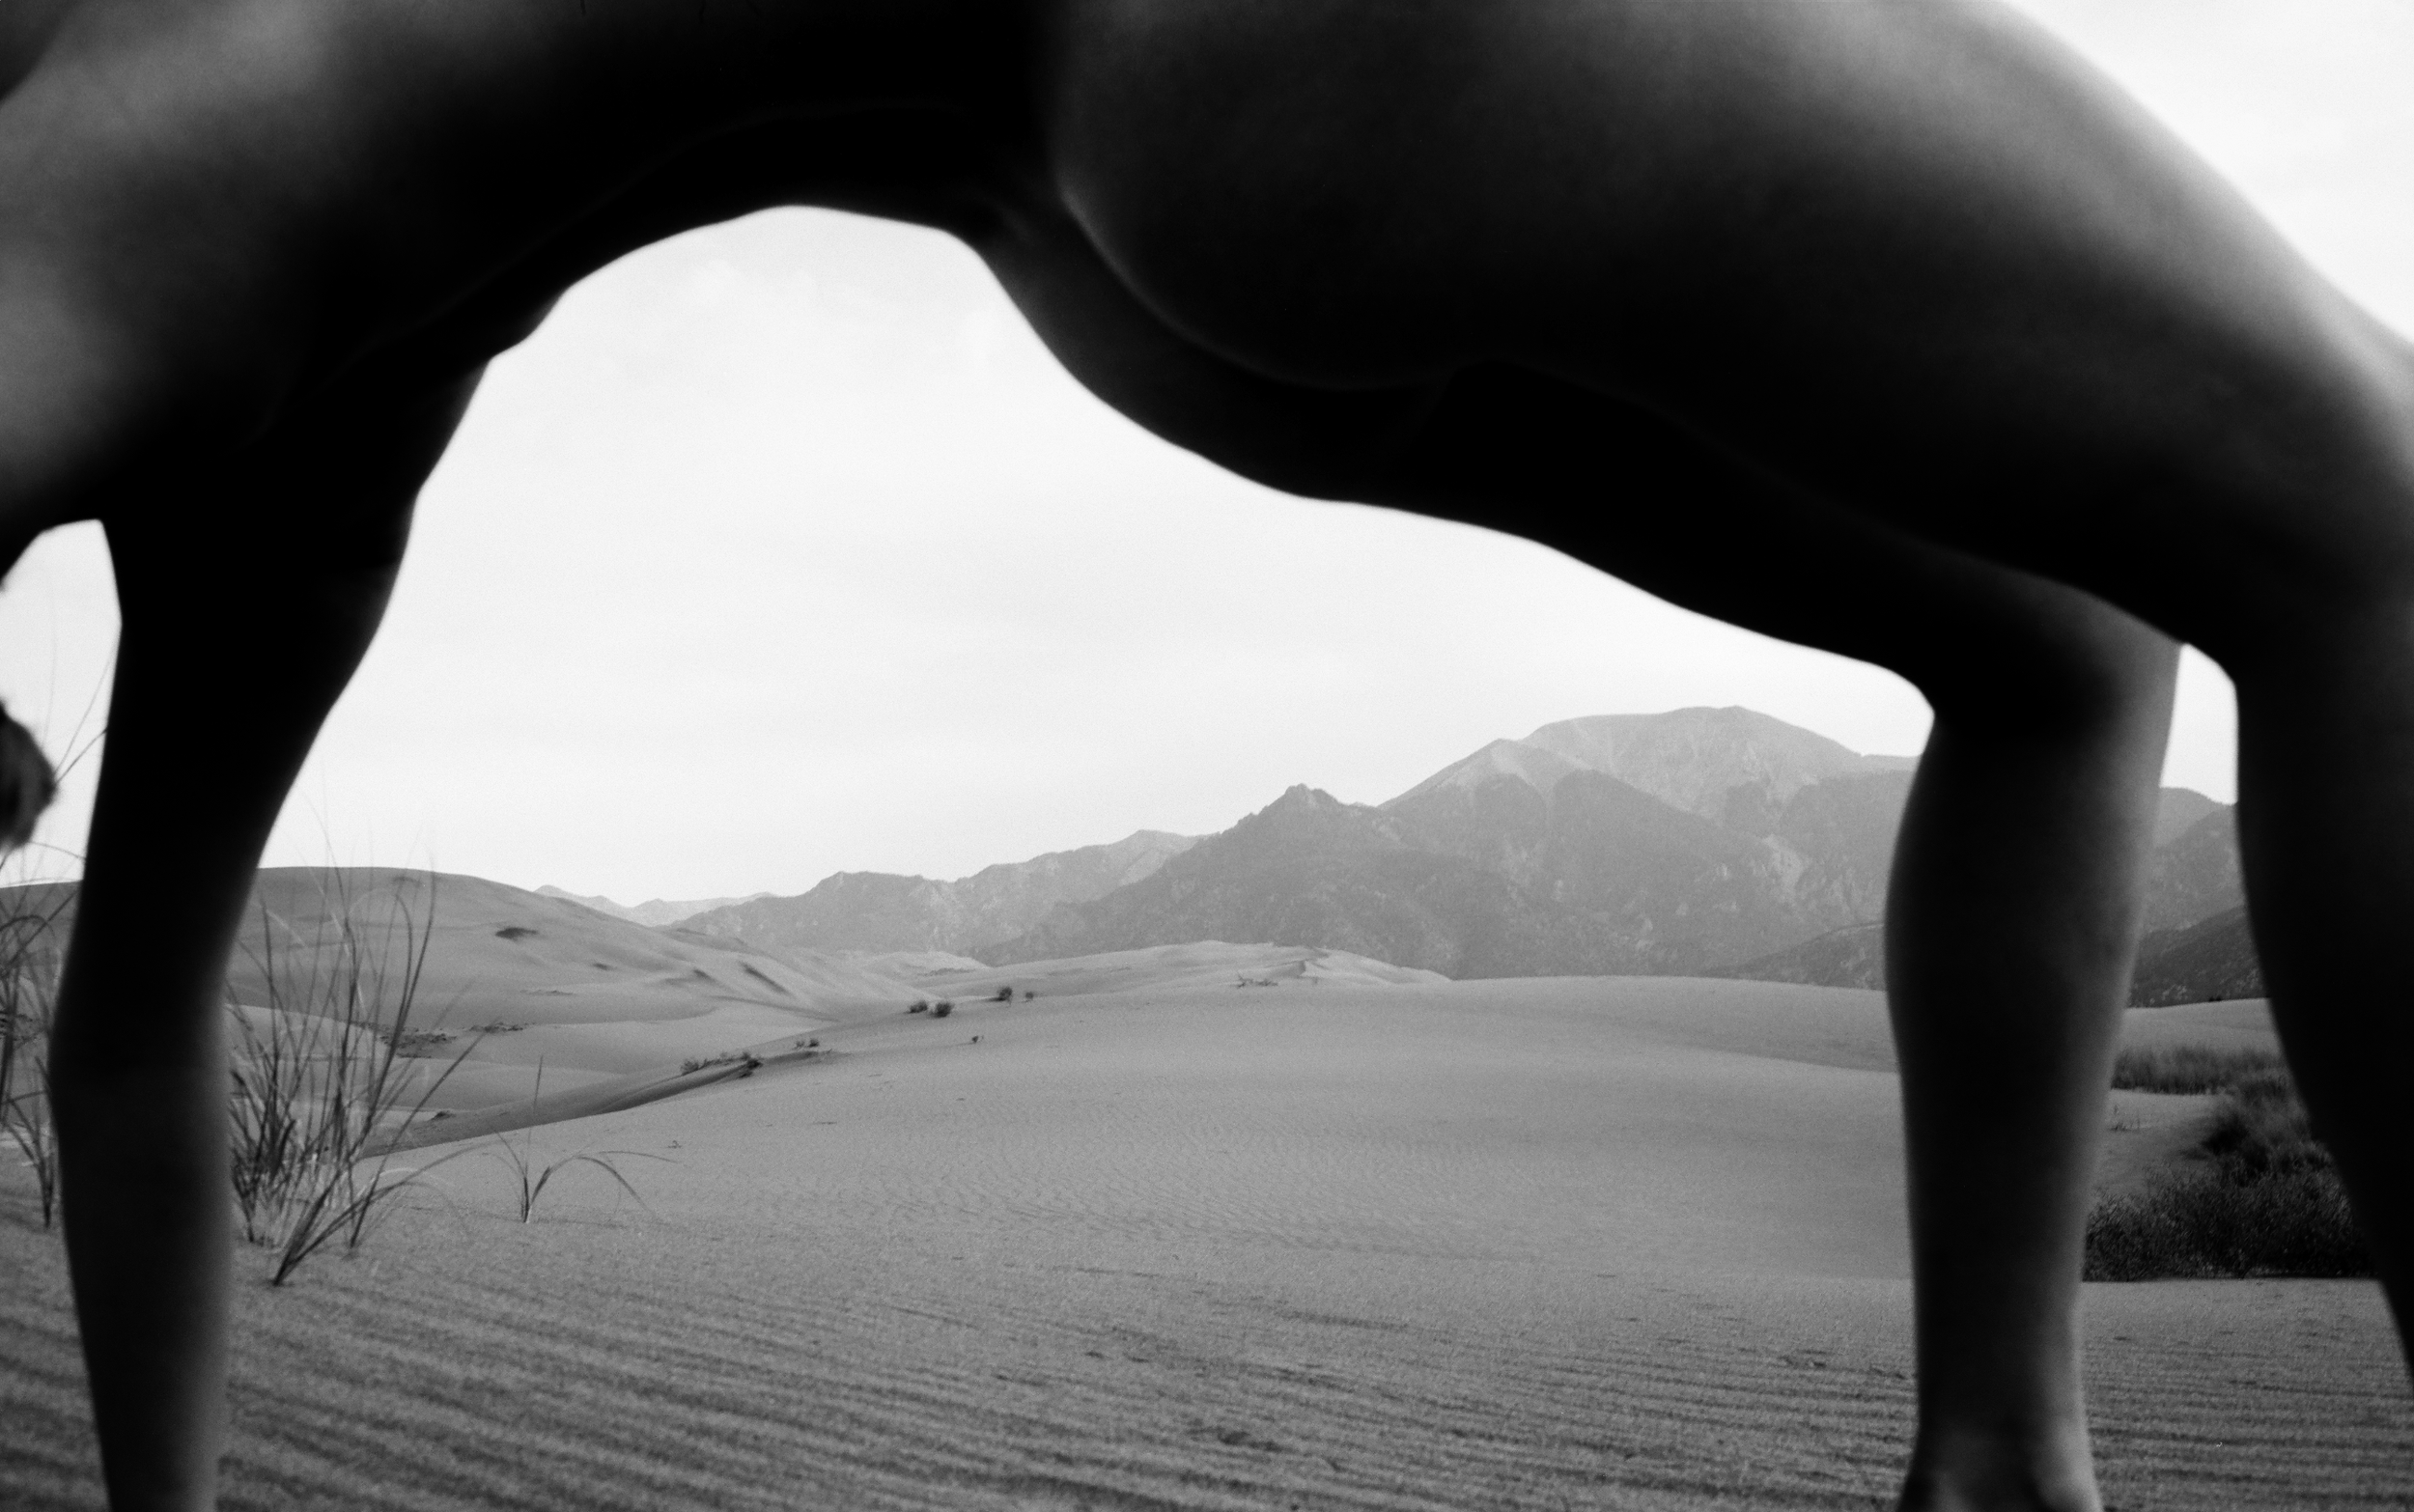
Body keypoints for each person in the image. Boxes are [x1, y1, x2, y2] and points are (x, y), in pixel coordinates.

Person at [0, 0, 2405, 1507]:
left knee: (2065, 639)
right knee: (2365, 526)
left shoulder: (250, 344)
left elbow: (134, 1035)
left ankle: (1999, 1467)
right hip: (1220, 103)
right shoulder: (132, 178)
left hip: (1113, 219)